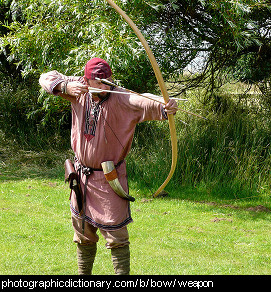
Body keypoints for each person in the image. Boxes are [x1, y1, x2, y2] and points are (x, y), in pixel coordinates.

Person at [39, 57, 177, 275]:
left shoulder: (121, 97)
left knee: (117, 238)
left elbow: (144, 101)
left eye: (108, 81)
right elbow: (46, 78)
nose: (105, 87)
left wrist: (165, 104)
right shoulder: (78, 89)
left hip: (109, 179)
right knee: (83, 235)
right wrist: (65, 86)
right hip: (81, 178)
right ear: (87, 80)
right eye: (99, 82)